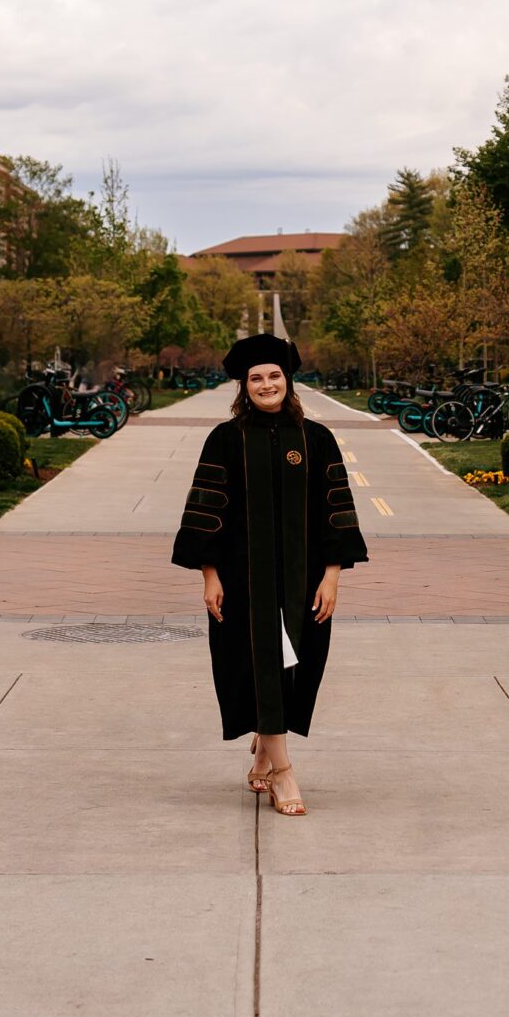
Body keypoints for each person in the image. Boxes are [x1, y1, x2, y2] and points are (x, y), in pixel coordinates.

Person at [170, 334, 368, 816]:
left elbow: (335, 512)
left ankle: (264, 753)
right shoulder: (225, 438)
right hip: (243, 582)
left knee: (294, 667)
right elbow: (205, 512)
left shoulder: (316, 439)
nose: (266, 385)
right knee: (257, 667)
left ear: (288, 380)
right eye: (256, 378)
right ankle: (283, 772)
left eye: (274, 376)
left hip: (303, 583)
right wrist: (209, 575)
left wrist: (333, 576)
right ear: (244, 385)